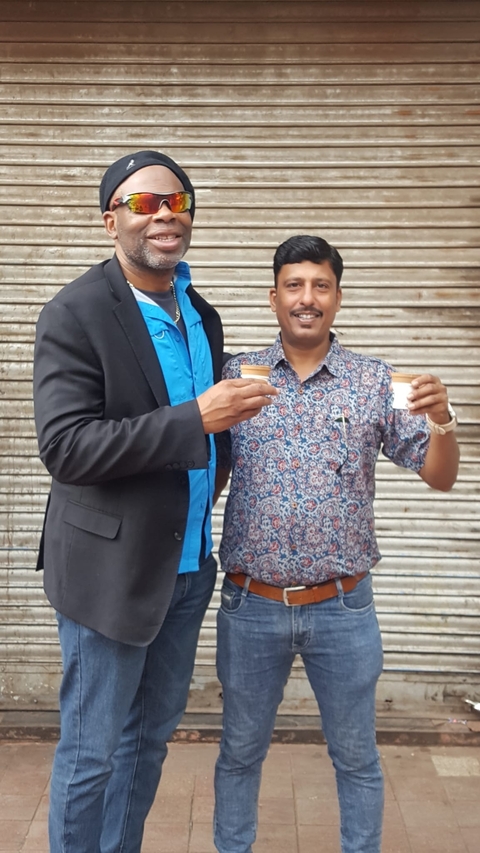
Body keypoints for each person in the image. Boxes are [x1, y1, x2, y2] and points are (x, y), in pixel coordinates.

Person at [33, 149, 277, 853]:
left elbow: (216, 429)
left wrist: (219, 456)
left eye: (177, 201)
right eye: (144, 204)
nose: (164, 214)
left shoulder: (202, 312)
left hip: (188, 566)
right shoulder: (75, 313)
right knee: (91, 753)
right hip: (109, 575)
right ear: (111, 219)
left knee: (148, 744)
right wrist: (196, 417)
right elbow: (68, 448)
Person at [213, 234, 459, 853]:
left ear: (339, 298)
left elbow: (440, 474)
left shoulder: (374, 382)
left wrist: (444, 420)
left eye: (320, 286)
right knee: (240, 753)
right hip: (251, 604)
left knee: (356, 757)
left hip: (343, 609)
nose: (307, 298)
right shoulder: (235, 377)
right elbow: (194, 461)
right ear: (274, 298)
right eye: (294, 285)